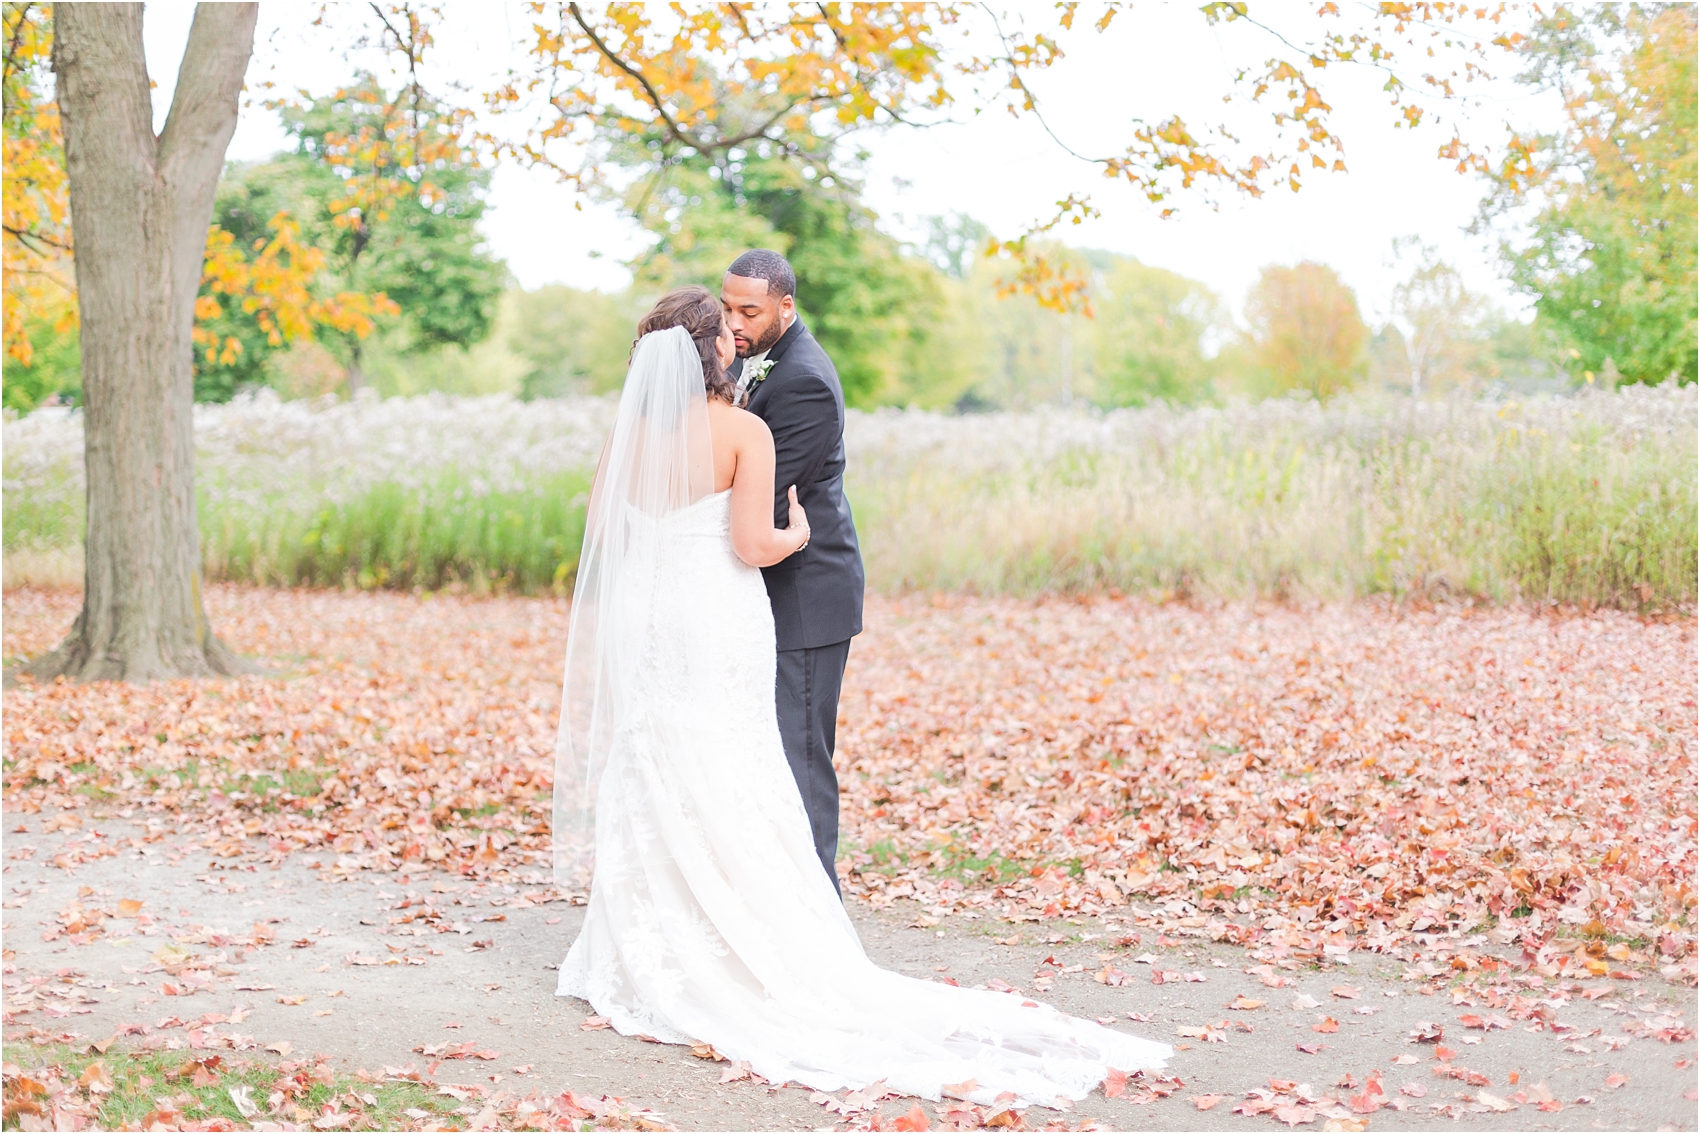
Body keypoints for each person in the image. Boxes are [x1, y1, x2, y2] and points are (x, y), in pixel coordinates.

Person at [551, 284, 1169, 1106]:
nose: (738, 335)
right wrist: (797, 533)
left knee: (654, 750)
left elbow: (602, 520)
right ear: (713, 351)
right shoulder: (744, 429)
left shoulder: (629, 432)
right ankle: (746, 934)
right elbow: (752, 542)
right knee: (730, 755)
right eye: (726, 329)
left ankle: (643, 941)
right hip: (714, 613)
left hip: (647, 612)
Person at [720, 249, 863, 894]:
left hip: (806, 598)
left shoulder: (802, 379)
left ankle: (817, 916)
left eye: (749, 310)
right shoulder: (756, 365)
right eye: (727, 308)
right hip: (771, 593)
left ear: (787, 306)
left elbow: (767, 500)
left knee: (800, 761)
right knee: (767, 759)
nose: (735, 321)